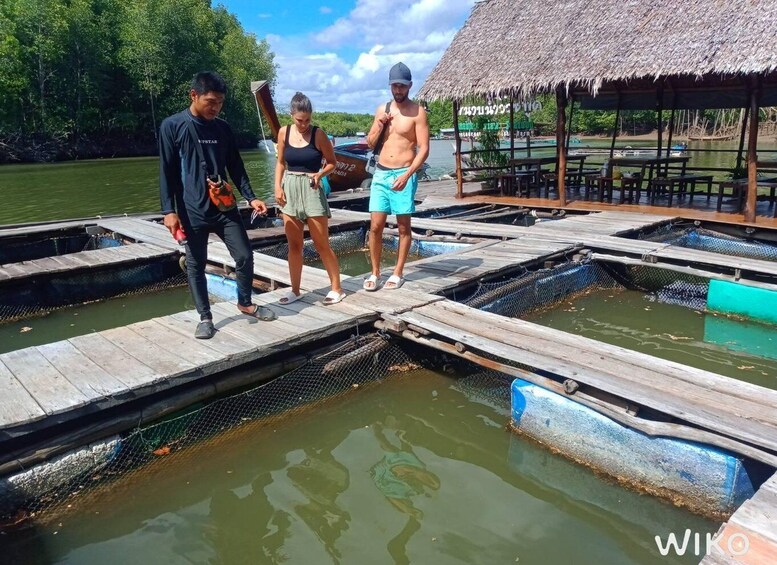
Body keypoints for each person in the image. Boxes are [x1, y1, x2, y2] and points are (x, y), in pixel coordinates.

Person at [159, 71, 275, 340]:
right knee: (195, 264)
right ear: (194, 96)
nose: (216, 107)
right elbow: (166, 171)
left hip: (224, 207)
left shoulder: (222, 128)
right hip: (191, 209)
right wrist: (169, 211)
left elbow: (235, 165)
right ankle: (205, 317)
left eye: (220, 102)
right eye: (211, 101)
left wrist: (251, 196)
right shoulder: (172, 126)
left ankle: (245, 302)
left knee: (244, 255)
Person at [363, 62, 430, 291]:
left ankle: (398, 272)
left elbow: (424, 149)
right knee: (375, 226)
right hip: (381, 173)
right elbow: (371, 143)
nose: (398, 90)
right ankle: (375, 272)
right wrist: (379, 125)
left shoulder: (418, 113)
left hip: (404, 172)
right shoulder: (382, 109)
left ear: (410, 86)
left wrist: (409, 174)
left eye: (402, 86)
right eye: (394, 86)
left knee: (403, 227)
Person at [274, 92, 345, 305]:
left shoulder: (318, 134)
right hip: (290, 190)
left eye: (307, 120)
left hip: (312, 189)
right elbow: (280, 163)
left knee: (321, 242)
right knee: (294, 245)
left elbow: (332, 162)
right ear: (291, 115)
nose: (304, 124)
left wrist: (320, 174)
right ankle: (295, 290)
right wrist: (277, 186)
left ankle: (337, 288)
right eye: (299, 120)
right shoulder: (283, 132)